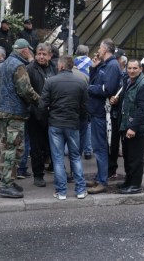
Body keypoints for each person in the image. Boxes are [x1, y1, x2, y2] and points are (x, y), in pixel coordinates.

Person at [38, 55, 88, 200]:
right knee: (75, 157)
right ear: (71, 66)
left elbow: (42, 105)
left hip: (55, 123)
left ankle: (61, 191)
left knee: (58, 158)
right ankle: (80, 190)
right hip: (73, 124)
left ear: (60, 66)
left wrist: (47, 118)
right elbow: (84, 107)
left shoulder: (51, 81)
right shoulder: (81, 82)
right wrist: (80, 120)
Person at [0, 39, 41, 199]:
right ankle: (6, 185)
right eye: (29, 50)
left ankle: (8, 180)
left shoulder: (6, 63)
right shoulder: (18, 66)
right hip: (15, 113)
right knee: (13, 149)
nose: (30, 52)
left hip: (3, 111)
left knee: (8, 147)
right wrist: (40, 101)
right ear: (24, 51)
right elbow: (25, 90)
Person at [111, 59, 144, 194]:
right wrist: (116, 101)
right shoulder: (128, 82)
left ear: (140, 69)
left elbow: (143, 110)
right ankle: (128, 182)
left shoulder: (143, 85)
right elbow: (126, 103)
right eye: (129, 68)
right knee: (128, 158)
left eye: (135, 68)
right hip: (126, 126)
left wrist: (133, 128)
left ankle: (135, 185)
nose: (132, 71)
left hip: (136, 129)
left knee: (135, 159)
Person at [86, 39, 121, 194]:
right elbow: (94, 81)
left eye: (99, 47)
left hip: (102, 113)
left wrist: (89, 88)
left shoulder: (112, 66)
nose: (97, 50)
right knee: (98, 147)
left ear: (106, 50)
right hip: (96, 111)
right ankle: (100, 176)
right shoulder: (104, 64)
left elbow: (107, 89)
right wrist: (93, 68)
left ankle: (102, 181)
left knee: (100, 147)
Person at [26, 43, 56, 187]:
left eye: (44, 54)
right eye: (39, 54)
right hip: (35, 114)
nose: (41, 57)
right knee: (36, 146)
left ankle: (57, 171)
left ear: (50, 56)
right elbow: (27, 90)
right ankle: (38, 175)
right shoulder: (30, 69)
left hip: (53, 114)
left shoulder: (55, 68)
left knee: (53, 145)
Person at [73, 44, 93, 160]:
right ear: (87, 53)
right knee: (87, 124)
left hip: (75, 97)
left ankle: (75, 150)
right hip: (88, 96)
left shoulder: (73, 63)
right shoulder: (91, 64)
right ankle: (88, 150)